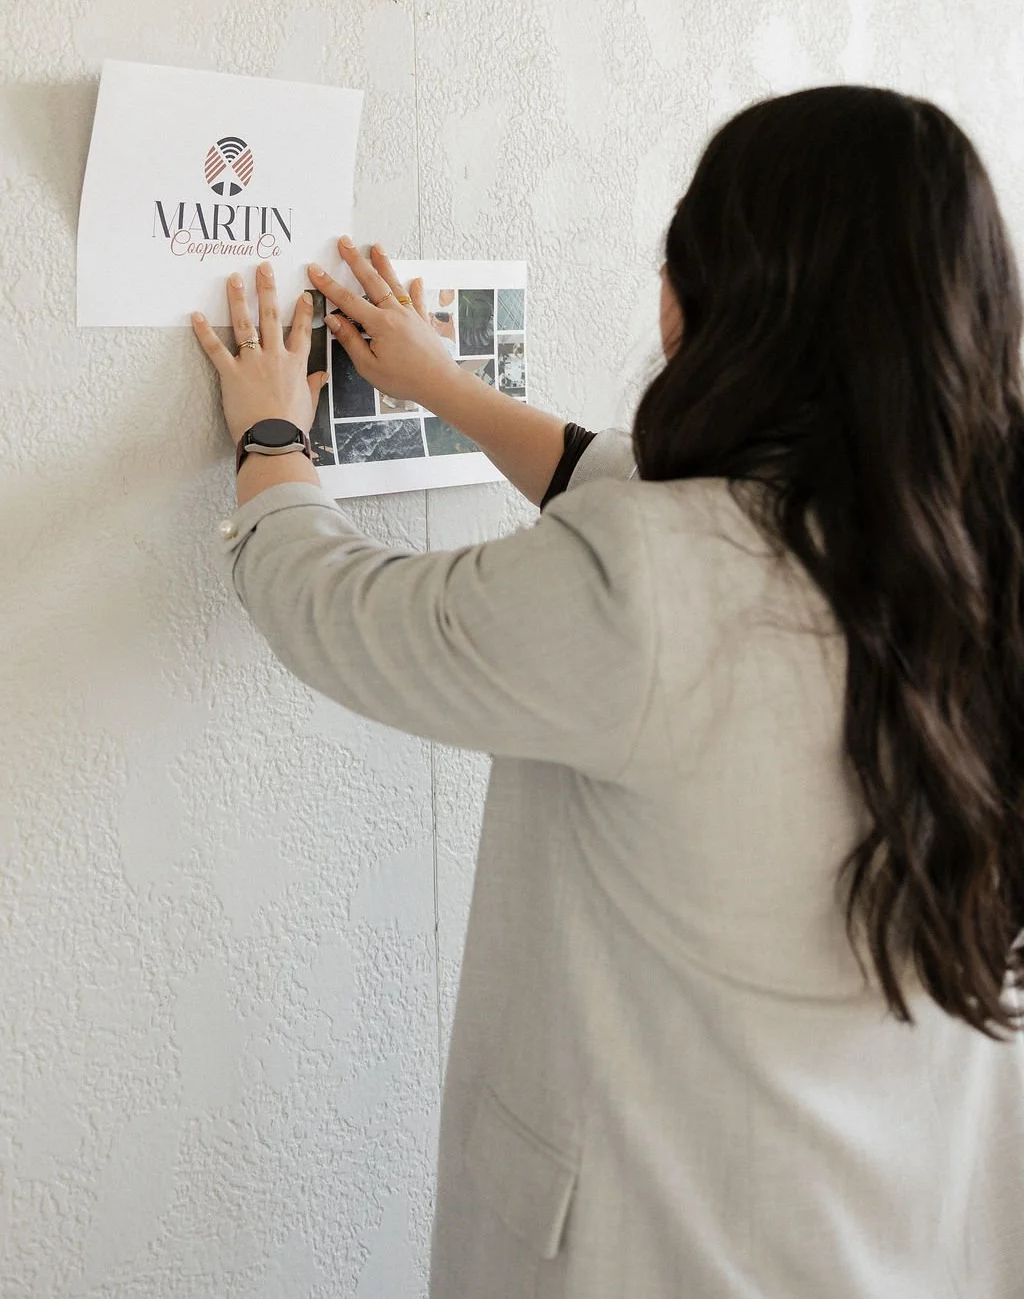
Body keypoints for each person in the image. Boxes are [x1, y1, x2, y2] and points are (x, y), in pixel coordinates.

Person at [191, 86, 1024, 1299]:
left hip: (678, 1249)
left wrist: (271, 435)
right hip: (911, 1232)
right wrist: (452, 388)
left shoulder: (656, 583)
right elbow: (695, 519)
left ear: (718, 301)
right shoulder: (968, 551)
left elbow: (342, 615)